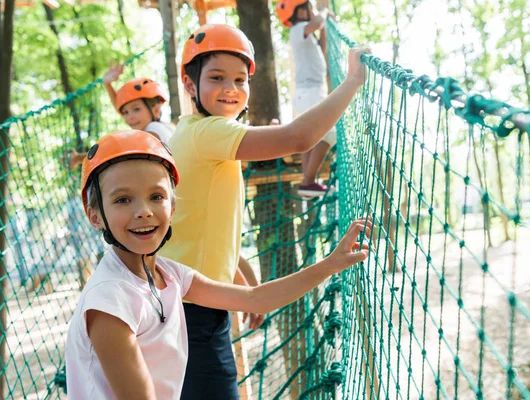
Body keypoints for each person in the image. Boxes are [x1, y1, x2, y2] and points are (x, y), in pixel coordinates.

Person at [64, 129, 371, 400]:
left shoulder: (169, 275)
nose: (143, 211)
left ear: (172, 206)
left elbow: (255, 298)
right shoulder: (109, 303)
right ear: (95, 216)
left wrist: (330, 264)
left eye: (156, 196)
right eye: (122, 200)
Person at [160, 23, 370, 398]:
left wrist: (239, 274)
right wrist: (353, 81)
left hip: (189, 304)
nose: (231, 89)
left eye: (241, 80)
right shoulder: (209, 133)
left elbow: (196, 223)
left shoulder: (193, 132)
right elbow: (298, 138)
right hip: (194, 315)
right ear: (190, 86)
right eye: (217, 77)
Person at [276, 0, 336, 197]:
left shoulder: (304, 34)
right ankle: (308, 181)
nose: (312, 11)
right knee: (329, 133)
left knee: (311, 136)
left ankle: (307, 181)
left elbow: (322, 51)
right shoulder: (298, 29)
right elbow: (317, 22)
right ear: (300, 11)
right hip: (310, 91)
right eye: (308, 7)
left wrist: (325, 28)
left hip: (308, 92)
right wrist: (324, 12)